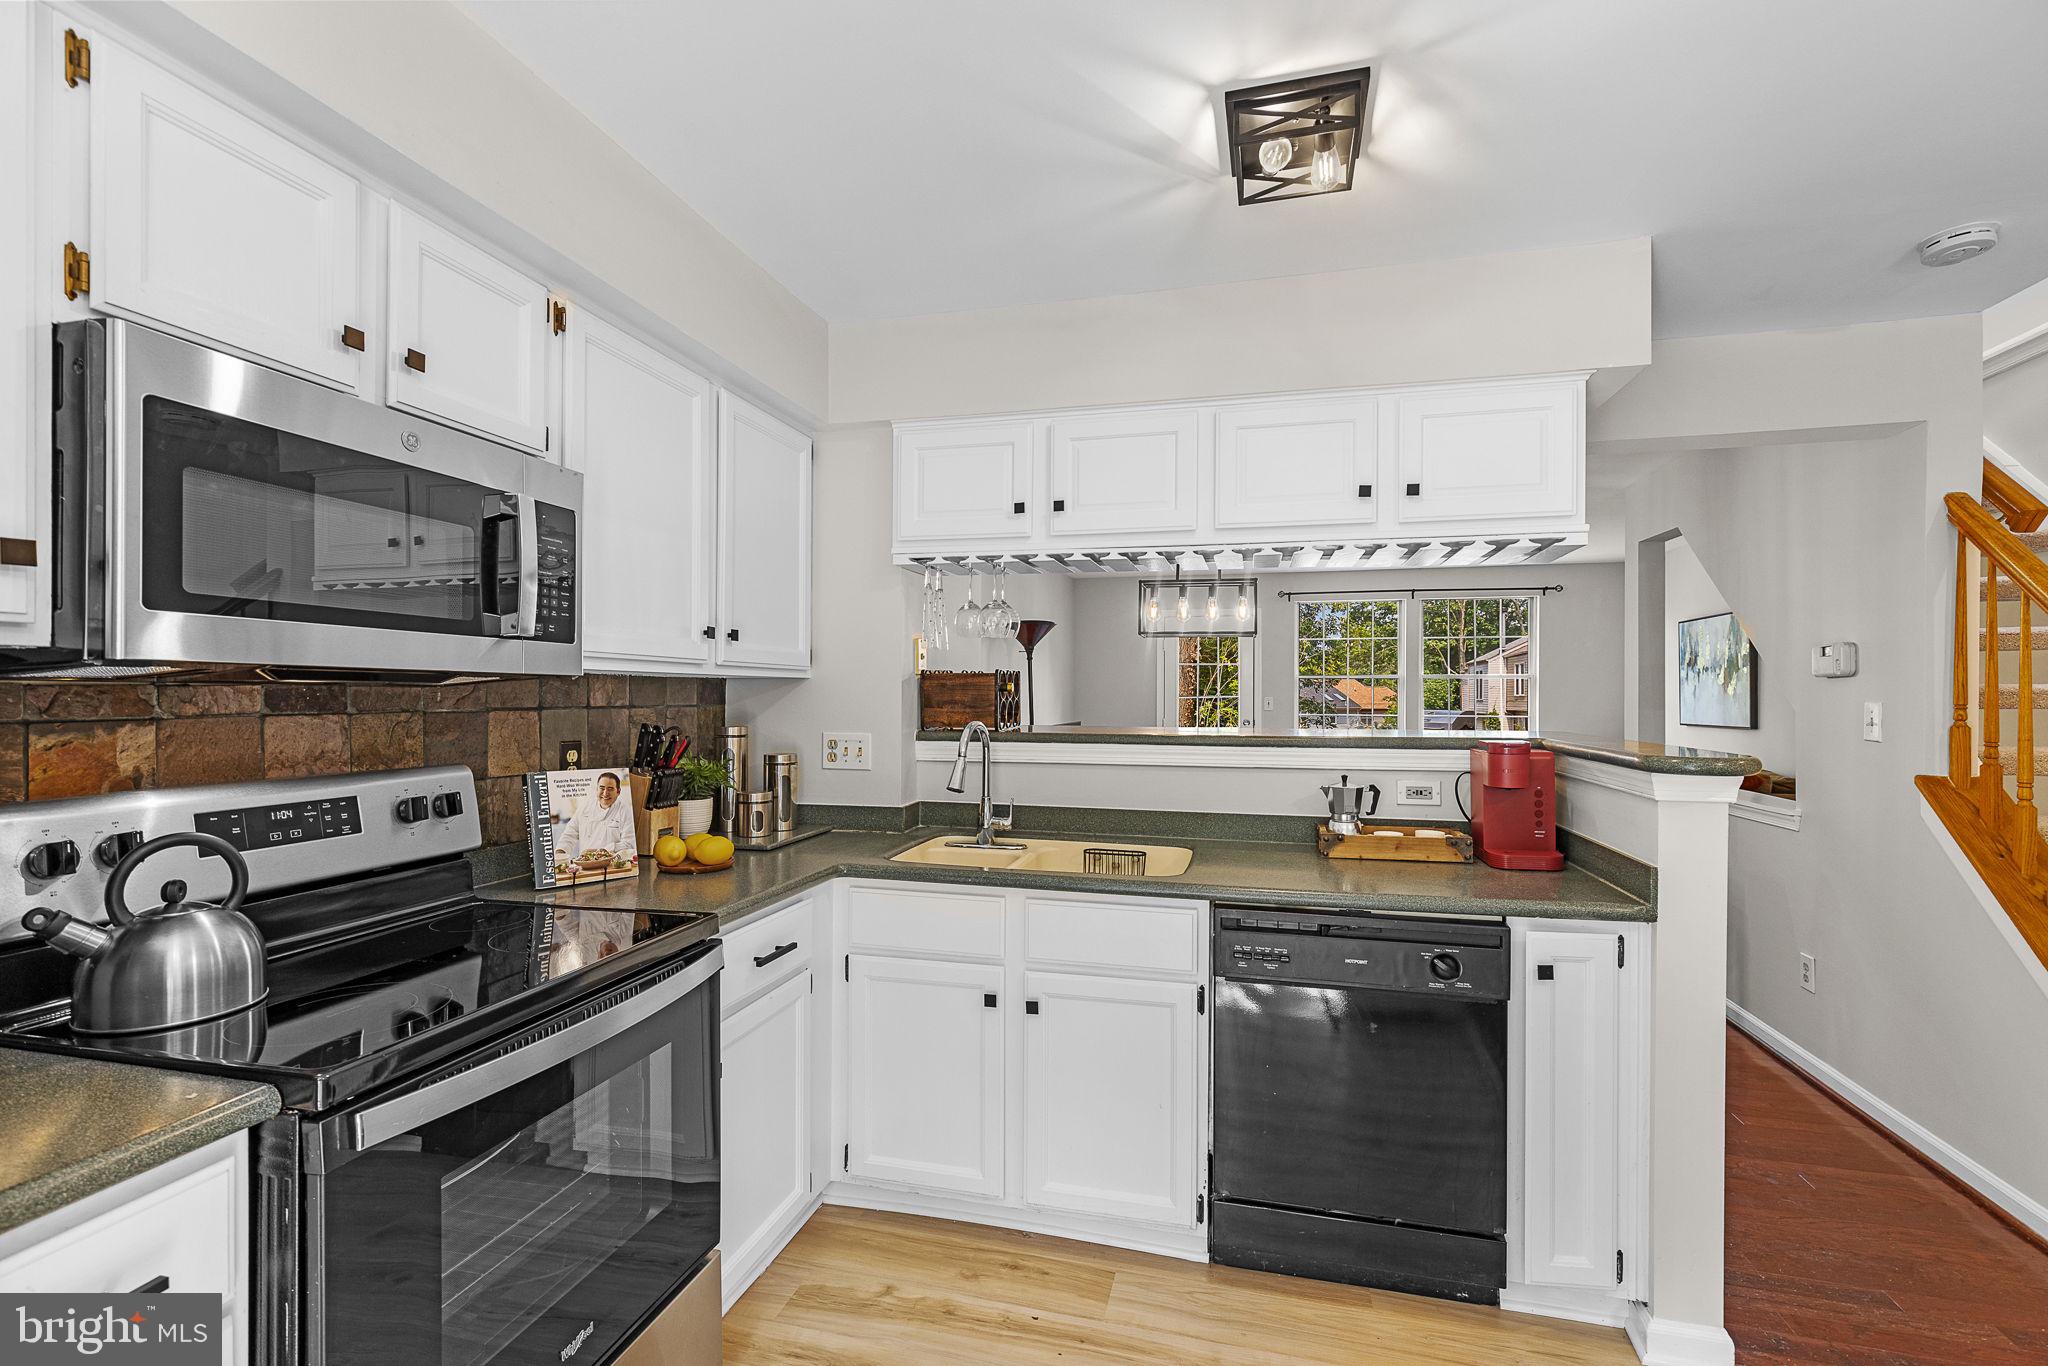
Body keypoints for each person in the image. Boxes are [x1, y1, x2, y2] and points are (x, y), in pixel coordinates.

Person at [562, 771, 636, 863]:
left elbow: (629, 844)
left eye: (610, 789)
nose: (605, 793)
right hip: (585, 864)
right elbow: (570, 833)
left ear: (618, 792)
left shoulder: (625, 811)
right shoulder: (585, 807)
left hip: (611, 865)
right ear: (597, 789)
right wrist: (561, 852)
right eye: (602, 788)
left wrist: (606, 849)